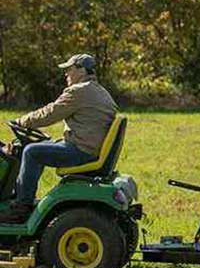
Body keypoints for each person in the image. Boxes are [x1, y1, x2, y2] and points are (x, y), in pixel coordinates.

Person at [0, 54, 117, 223]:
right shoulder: (101, 91)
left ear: (81, 70)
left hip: (81, 151)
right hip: (89, 147)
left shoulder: (79, 91)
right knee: (36, 146)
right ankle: (21, 199)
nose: (66, 74)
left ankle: (21, 207)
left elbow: (50, 113)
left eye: (69, 69)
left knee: (32, 152)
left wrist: (22, 121)